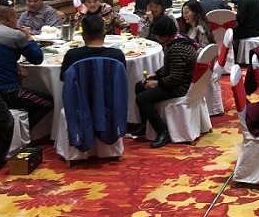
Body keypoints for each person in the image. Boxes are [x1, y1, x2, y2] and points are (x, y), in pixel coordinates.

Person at [0, 5, 53, 130]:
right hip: (6, 91)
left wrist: (15, 64)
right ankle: (14, 134)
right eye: (16, 17)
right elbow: (37, 59)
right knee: (47, 102)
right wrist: (29, 37)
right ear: (9, 17)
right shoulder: (15, 35)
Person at [132, 16, 198, 147]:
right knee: (140, 86)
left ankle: (162, 131)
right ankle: (146, 124)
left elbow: (175, 79)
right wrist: (155, 75)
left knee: (142, 99)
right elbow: (171, 67)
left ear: (164, 35)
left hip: (181, 87)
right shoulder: (179, 39)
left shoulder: (176, 48)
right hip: (179, 80)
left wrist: (157, 83)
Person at [59, 14, 126, 80]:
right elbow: (122, 76)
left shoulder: (72, 55)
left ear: (83, 36)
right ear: (104, 34)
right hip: (110, 87)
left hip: (81, 87)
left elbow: (64, 77)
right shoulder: (117, 55)